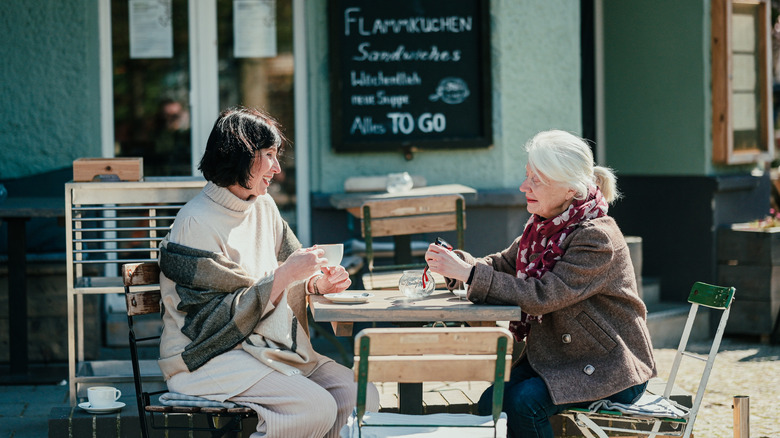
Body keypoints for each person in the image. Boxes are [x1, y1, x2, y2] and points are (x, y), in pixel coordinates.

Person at [157, 107, 378, 438]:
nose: (277, 168)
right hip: (206, 358)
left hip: (266, 348)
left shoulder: (263, 206)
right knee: (314, 408)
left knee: (362, 397)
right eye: (269, 156)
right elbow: (206, 323)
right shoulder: (194, 222)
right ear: (241, 155)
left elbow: (293, 267)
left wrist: (319, 282)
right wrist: (287, 275)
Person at [424, 130, 656, 438]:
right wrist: (457, 263)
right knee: (488, 405)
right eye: (527, 176)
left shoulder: (596, 238)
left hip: (609, 367)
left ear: (570, 188)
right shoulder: (544, 228)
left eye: (537, 180)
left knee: (523, 404)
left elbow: (542, 296)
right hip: (557, 359)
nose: (524, 187)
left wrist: (468, 274)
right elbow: (500, 265)